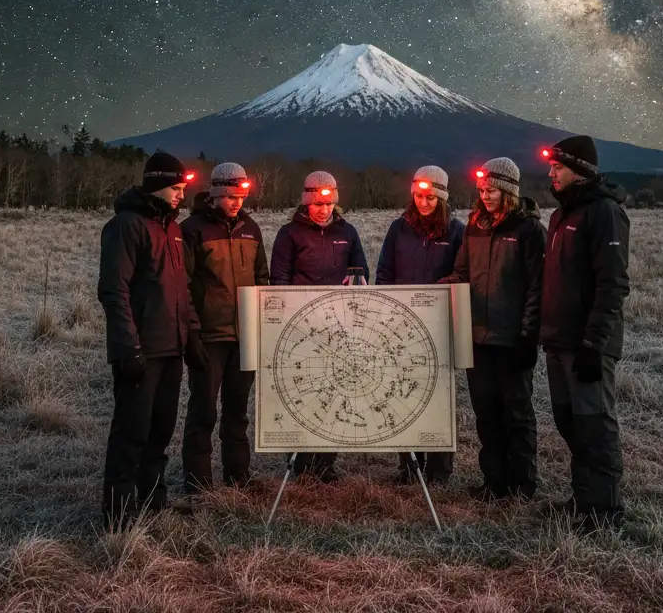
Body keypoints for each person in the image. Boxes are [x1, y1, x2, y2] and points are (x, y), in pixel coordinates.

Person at [97, 152, 207, 530]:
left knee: (160, 431)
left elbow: (182, 290)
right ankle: (119, 515)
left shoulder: (172, 229)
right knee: (131, 432)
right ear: (158, 186)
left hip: (171, 348)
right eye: (176, 189)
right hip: (142, 351)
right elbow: (114, 292)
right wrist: (129, 349)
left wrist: (191, 336)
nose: (181, 196)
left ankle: (153, 501)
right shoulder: (126, 227)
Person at [441, 157, 545, 502]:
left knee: (516, 410)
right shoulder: (475, 225)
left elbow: (536, 286)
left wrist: (528, 335)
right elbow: (462, 272)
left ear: (509, 191)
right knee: (485, 411)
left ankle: (522, 484)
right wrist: (440, 288)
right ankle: (493, 481)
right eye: (482, 190)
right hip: (478, 336)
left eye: (492, 190)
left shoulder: (528, 229)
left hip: (511, 337)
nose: (485, 195)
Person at [541, 135, 630, 531]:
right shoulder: (560, 216)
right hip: (559, 341)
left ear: (578, 170)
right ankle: (583, 501)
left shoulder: (605, 213)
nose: (551, 173)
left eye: (557, 167)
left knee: (595, 426)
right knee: (570, 423)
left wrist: (595, 344)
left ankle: (604, 512)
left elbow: (612, 284)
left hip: (586, 346)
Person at [270, 170, 369, 481]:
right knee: (303, 391)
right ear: (306, 202)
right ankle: (300, 461)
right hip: (302, 327)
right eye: (318, 204)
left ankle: (326, 463)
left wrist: (356, 281)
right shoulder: (290, 234)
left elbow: (361, 270)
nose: (324, 210)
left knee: (335, 391)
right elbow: (279, 278)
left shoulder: (348, 232)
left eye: (329, 204)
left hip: (339, 326)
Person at [180, 162, 269, 492]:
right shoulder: (193, 229)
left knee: (237, 412)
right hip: (209, 336)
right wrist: (193, 328)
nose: (236, 202)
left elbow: (262, 277)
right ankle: (198, 483)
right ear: (215, 194)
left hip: (245, 336)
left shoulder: (252, 229)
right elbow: (184, 284)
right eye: (230, 196)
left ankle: (238, 477)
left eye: (241, 196)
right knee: (203, 411)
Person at [376, 165, 465, 484]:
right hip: (401, 330)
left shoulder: (456, 231)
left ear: (441, 198)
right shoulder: (398, 228)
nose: (423, 203)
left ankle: (440, 469)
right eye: (417, 196)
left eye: (429, 197)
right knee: (402, 395)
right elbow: (384, 272)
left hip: (439, 327)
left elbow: (462, 276)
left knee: (441, 398)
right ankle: (409, 465)